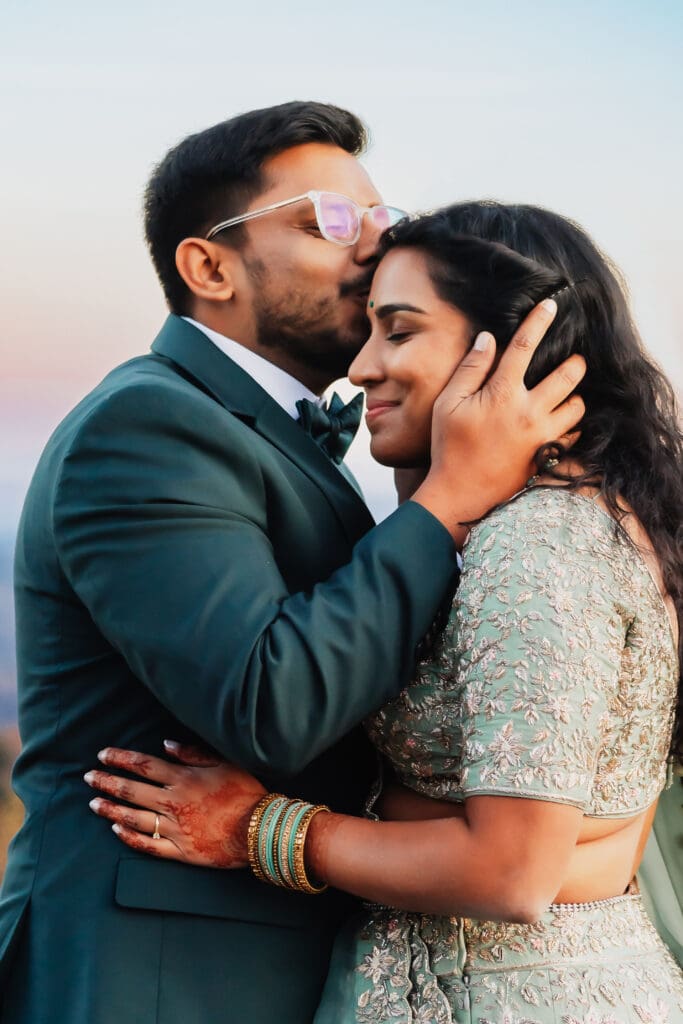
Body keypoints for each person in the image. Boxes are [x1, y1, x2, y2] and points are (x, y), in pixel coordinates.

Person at [0, 103, 584, 1023]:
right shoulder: (148, 426)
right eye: (331, 220)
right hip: (158, 972)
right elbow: (272, 704)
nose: (373, 249)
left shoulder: (286, 439)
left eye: (384, 221)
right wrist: (446, 501)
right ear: (208, 267)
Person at [89, 201, 683, 1023]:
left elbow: (513, 873)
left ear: (517, 347)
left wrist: (259, 828)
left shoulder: (541, 546)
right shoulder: (563, 521)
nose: (361, 366)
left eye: (398, 333)